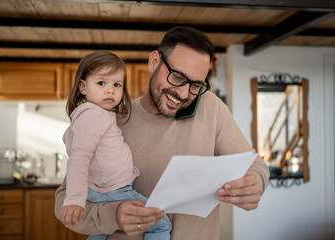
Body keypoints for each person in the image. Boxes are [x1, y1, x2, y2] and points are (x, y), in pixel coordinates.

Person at [55, 27, 270, 240]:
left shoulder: (210, 107)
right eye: (177, 76)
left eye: (196, 84)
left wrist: (255, 182)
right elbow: (64, 200)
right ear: (154, 62)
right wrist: (114, 216)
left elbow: (254, 164)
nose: (184, 93)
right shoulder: (112, 119)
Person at [60, 51, 172, 240]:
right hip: (112, 190)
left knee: (102, 230)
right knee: (160, 223)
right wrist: (75, 200)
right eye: (102, 83)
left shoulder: (96, 115)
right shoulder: (92, 116)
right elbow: (79, 158)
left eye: (117, 84)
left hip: (106, 189)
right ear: (83, 87)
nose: (110, 90)